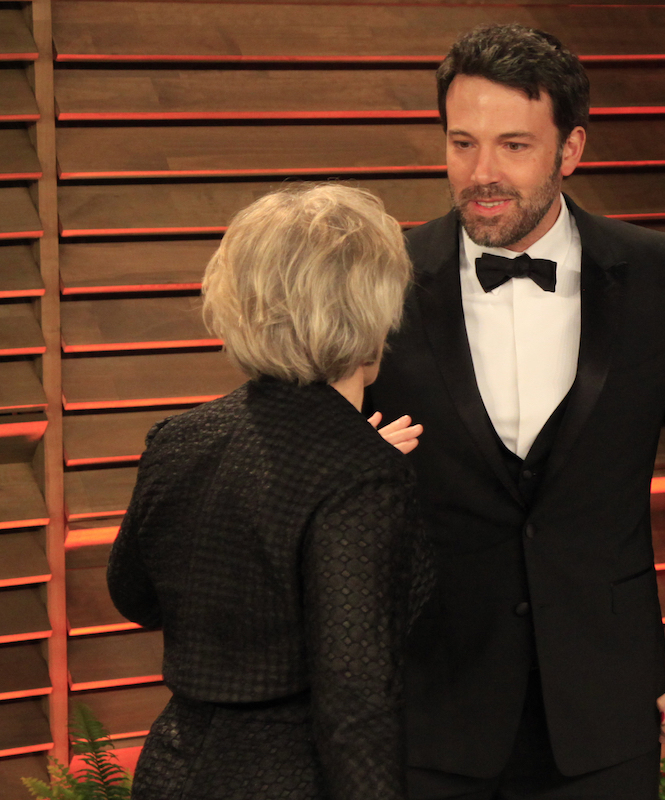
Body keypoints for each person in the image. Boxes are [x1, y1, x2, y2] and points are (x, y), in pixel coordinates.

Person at [366, 23, 665, 800]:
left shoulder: (664, 276)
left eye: (514, 146)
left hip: (607, 706)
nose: (482, 173)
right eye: (462, 143)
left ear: (570, 149)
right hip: (431, 705)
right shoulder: (379, 279)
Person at [107, 184, 431, 800]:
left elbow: (136, 596)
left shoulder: (179, 438)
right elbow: (357, 703)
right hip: (288, 778)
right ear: (372, 314)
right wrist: (354, 469)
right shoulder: (362, 474)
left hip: (171, 769)